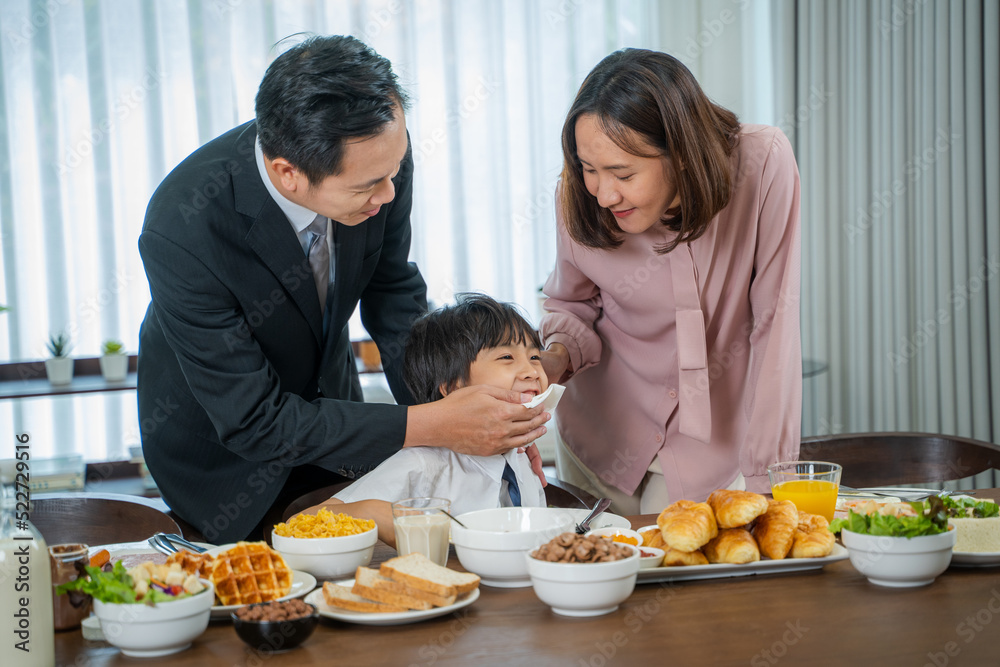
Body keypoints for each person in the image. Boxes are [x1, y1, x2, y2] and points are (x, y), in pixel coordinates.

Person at [137, 36, 548, 544]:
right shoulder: (183, 227)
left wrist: (473, 421)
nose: (389, 194)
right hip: (224, 452)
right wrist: (436, 424)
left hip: (338, 414)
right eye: (369, 186)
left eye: (394, 171)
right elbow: (253, 421)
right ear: (287, 174)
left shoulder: (377, 153)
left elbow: (393, 291)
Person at [539, 48, 801, 515]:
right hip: (601, 433)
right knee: (604, 578)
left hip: (712, 448)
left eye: (623, 173)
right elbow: (572, 306)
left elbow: (774, 322)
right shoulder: (580, 194)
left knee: (689, 581)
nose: (603, 193)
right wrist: (551, 362)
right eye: (589, 169)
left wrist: (769, 476)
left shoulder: (762, 165)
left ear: (681, 154)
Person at [302, 294, 551, 546]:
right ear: (455, 387)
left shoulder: (522, 458)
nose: (532, 372)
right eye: (506, 357)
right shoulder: (423, 463)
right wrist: (371, 513)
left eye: (534, 357)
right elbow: (307, 519)